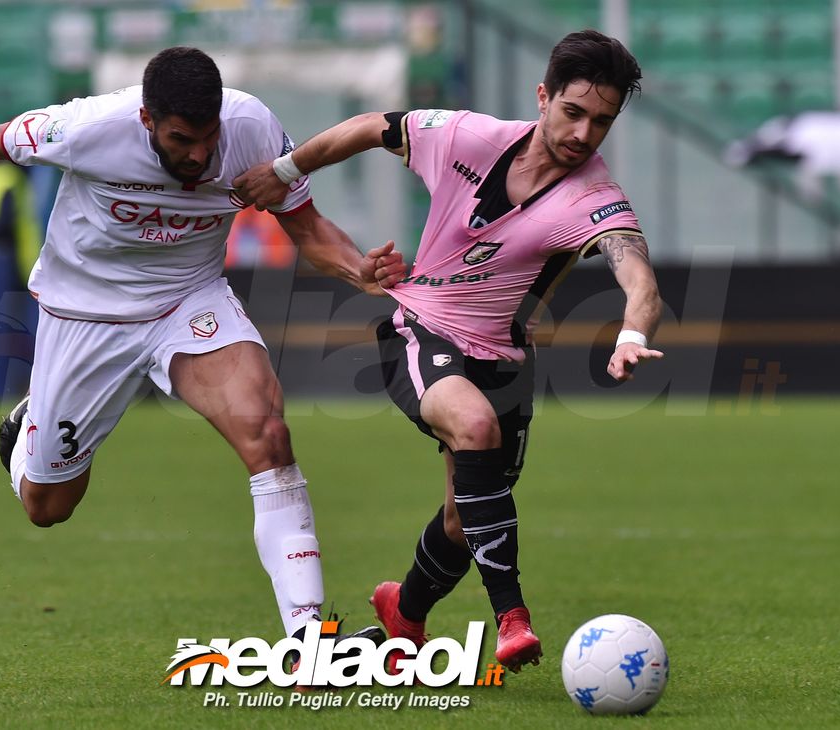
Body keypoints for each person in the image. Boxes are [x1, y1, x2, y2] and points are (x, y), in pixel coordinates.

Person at [0, 47, 406, 646]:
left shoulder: (251, 128)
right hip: (86, 313)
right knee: (48, 505)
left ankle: (307, 636)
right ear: (146, 121)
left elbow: (308, 228)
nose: (199, 154)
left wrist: (357, 271)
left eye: (208, 136)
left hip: (189, 299)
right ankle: (29, 427)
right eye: (182, 138)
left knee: (266, 434)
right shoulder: (91, 127)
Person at [235, 29, 664, 673]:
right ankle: (512, 618)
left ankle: (403, 614)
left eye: (601, 122)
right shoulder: (467, 136)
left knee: (466, 520)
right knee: (474, 425)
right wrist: (287, 170)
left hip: (506, 361)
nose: (583, 134)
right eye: (573, 112)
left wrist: (632, 333)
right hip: (421, 328)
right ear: (543, 96)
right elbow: (370, 126)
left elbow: (639, 278)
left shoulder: (593, 199)